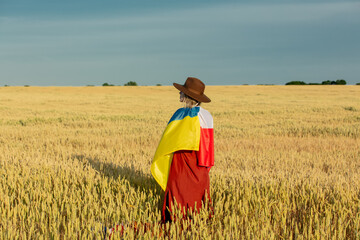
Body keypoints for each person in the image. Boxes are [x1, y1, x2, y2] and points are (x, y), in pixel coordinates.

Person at [151, 77, 214, 223]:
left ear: (187, 96)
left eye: (182, 93)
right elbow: (208, 145)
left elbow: (169, 141)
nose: (179, 95)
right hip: (201, 168)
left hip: (181, 166)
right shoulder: (206, 116)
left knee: (179, 199)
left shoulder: (181, 114)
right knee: (197, 204)